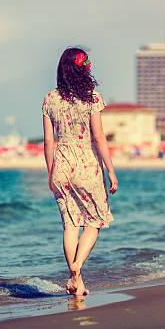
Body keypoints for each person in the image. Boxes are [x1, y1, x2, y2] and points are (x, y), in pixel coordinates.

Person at [41, 47, 118, 296]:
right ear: (83, 68)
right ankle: (77, 268)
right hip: (87, 165)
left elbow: (48, 142)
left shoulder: (51, 98)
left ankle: (77, 281)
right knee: (94, 221)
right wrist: (111, 171)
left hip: (61, 165)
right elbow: (98, 137)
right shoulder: (92, 98)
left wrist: (51, 171)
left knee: (70, 225)